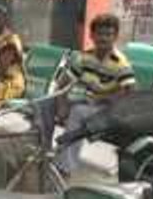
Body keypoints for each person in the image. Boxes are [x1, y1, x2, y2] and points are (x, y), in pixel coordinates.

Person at [55, 12, 136, 177]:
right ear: (92, 35)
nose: (104, 38)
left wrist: (109, 101)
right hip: (89, 104)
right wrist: (61, 106)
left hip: (109, 112)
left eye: (109, 34)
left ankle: (64, 168)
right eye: (100, 33)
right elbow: (62, 84)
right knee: (46, 104)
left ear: (115, 37)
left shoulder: (120, 63)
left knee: (78, 112)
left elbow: (130, 94)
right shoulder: (84, 58)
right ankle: (43, 152)